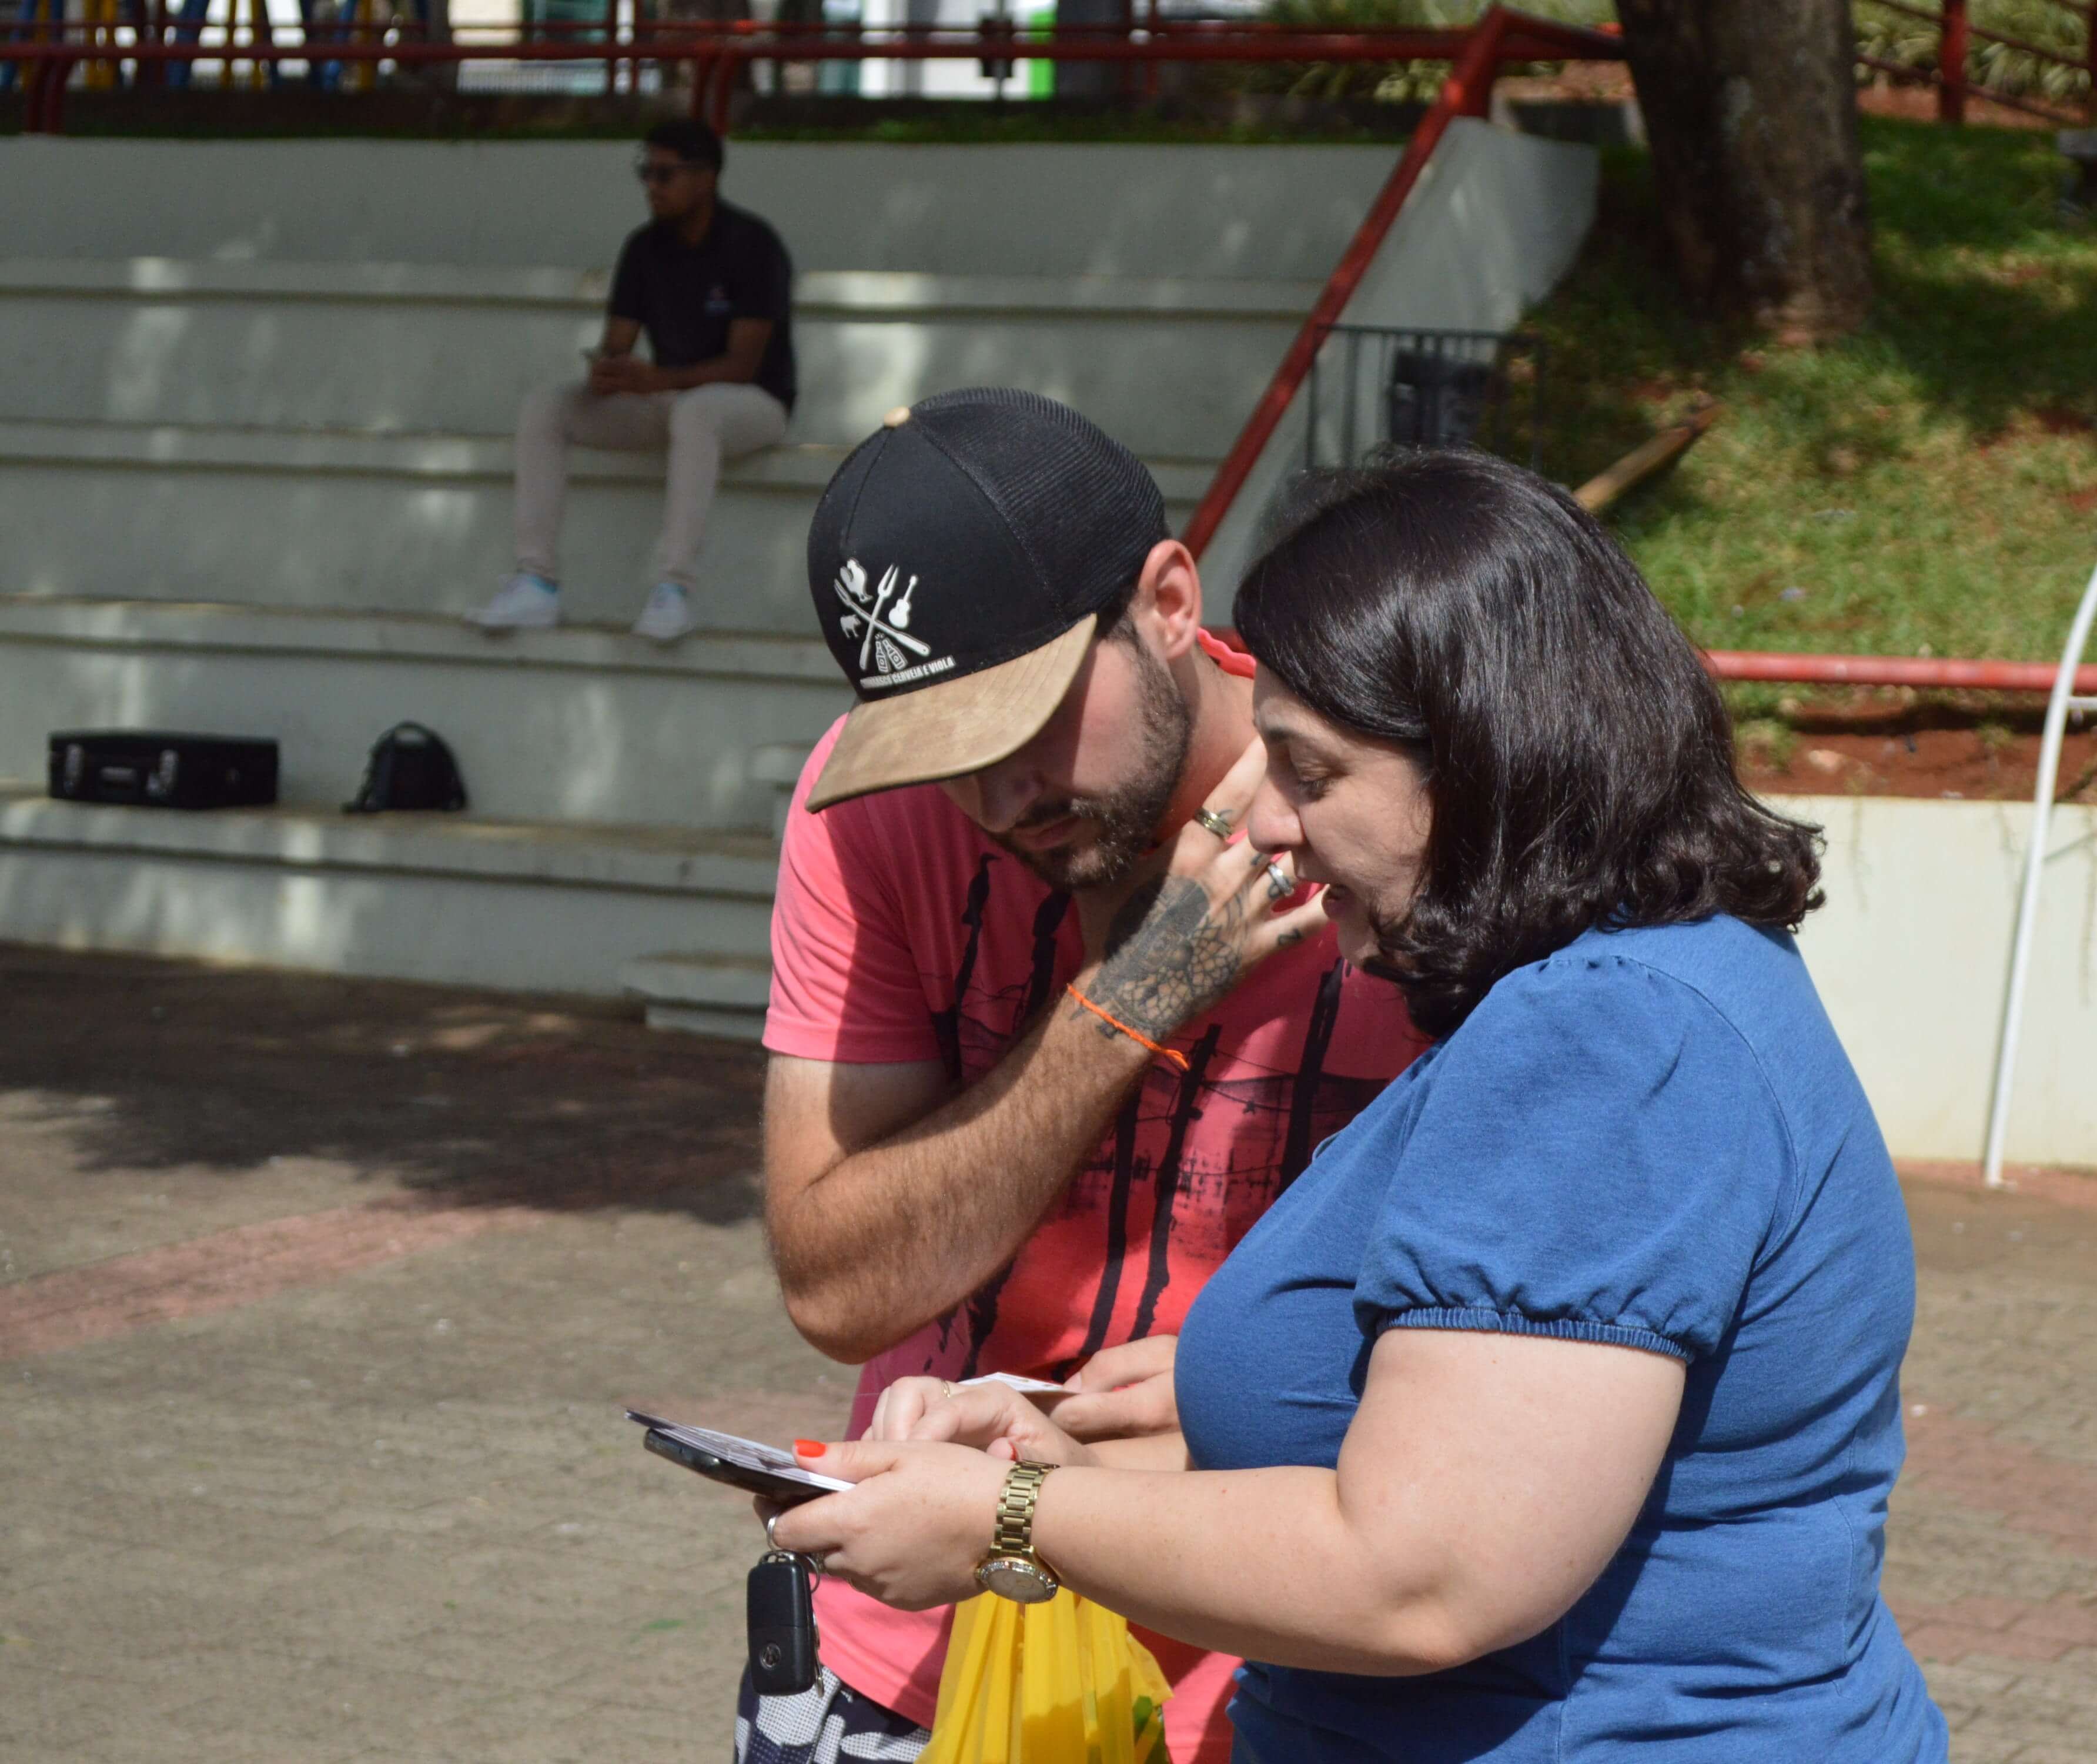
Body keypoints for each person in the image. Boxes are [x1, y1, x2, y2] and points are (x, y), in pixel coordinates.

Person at [766, 449, 1952, 1763]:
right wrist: (1066, 1469)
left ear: (1486, 756)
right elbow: (1449, 1445)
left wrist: (1011, 1521)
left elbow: (1425, 1572)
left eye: (1312, 772)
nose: (1266, 821)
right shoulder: (1625, 981)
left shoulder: (1607, 1036)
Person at [740, 389, 1422, 1764]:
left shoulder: (1389, 812)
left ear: (1170, 600)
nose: (995, 798)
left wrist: (1262, 1374)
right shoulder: (871, 814)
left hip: (1288, 1669)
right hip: (917, 1662)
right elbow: (837, 1283)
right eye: (943, 750)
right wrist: (1127, 1007)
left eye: (1028, 718)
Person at [468, 117, 795, 644]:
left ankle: (673, 590)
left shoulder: (752, 245)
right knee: (548, 407)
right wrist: (607, 370)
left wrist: (653, 380)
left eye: (665, 175)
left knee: (697, 411)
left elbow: (743, 366)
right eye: (646, 173)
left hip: (755, 404)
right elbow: (618, 343)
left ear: (705, 177)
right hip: (670, 399)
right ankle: (536, 583)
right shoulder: (644, 248)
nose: (652, 187)